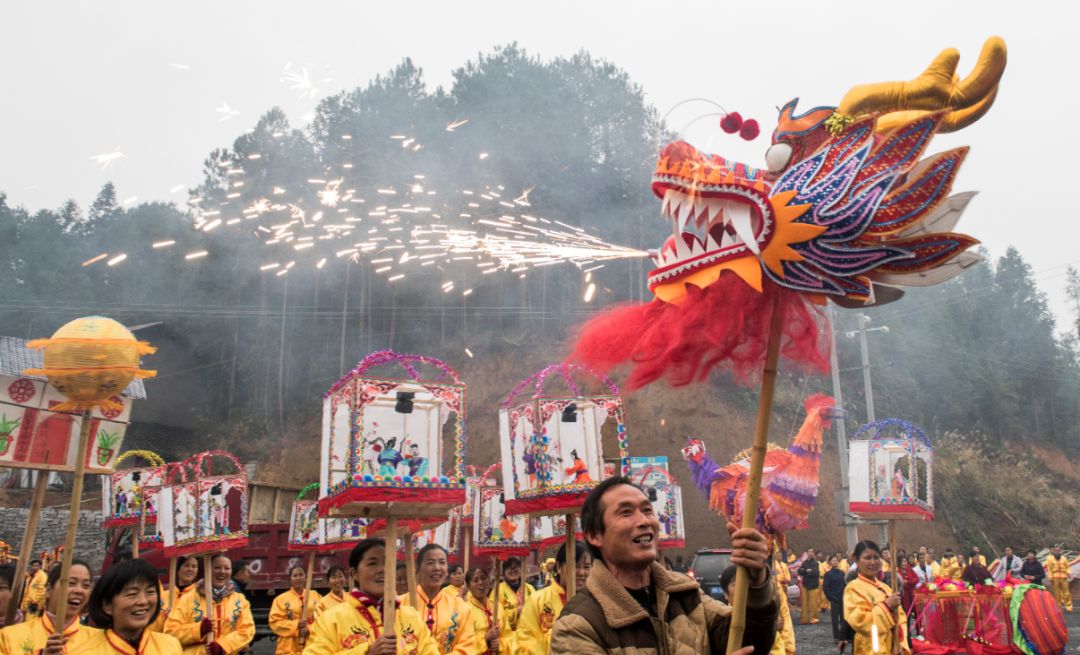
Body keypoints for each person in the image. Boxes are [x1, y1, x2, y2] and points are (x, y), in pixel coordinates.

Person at [550, 476, 778, 655]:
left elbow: (748, 641)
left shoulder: (684, 594)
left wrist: (757, 580)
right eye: (626, 512)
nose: (644, 521)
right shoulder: (578, 625)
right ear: (594, 535)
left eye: (647, 510)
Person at [304, 538, 438, 655]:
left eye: (387, 562)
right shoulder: (331, 619)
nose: (382, 569)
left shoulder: (411, 616)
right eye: (372, 563)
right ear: (354, 573)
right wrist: (367, 652)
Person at [77, 558, 183, 655]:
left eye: (150, 592)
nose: (143, 601)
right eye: (132, 594)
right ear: (107, 605)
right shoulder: (86, 652)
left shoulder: (170, 646)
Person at [0, 560, 98, 655]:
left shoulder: (98, 640)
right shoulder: (9, 636)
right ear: (48, 590)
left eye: (86, 586)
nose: (79, 590)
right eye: (71, 583)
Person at [165, 554, 254, 655]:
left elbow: (247, 630)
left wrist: (223, 646)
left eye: (227, 568)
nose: (222, 571)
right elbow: (170, 632)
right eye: (217, 567)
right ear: (208, 570)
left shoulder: (240, 600)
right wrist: (199, 629)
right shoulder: (187, 599)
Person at [514, 541, 591, 655]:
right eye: (575, 566)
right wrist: (557, 638)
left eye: (586, 567)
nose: (581, 572)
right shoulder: (537, 600)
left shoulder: (597, 602)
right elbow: (522, 646)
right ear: (559, 567)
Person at [402, 544, 475, 655]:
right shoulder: (400, 604)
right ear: (418, 568)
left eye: (442, 562)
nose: (437, 568)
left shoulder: (460, 607)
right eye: (430, 562)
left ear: (446, 570)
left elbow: (467, 647)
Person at [843, 541, 909, 655]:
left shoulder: (886, 588)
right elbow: (860, 622)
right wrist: (886, 606)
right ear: (856, 560)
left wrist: (899, 642)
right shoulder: (853, 588)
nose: (873, 562)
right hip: (870, 648)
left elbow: (901, 617)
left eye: (876, 557)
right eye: (867, 558)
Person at [270, 565, 322, 655]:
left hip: (312, 646)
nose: (298, 578)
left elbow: (323, 619)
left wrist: (309, 629)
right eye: (295, 575)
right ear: (290, 579)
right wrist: (296, 624)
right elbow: (274, 623)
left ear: (306, 578)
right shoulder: (280, 599)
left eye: (301, 575)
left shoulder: (315, 596)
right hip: (288, 648)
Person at [150, 555, 202, 634]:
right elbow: (151, 626)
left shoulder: (198, 597)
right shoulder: (163, 595)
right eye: (186, 565)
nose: (190, 569)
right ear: (177, 569)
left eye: (194, 566)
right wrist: (163, 617)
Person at [489, 557, 532, 641]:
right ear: (503, 572)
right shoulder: (497, 590)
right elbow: (493, 616)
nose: (513, 570)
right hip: (507, 638)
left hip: (527, 636)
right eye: (509, 568)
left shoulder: (529, 589)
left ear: (521, 570)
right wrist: (516, 612)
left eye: (515, 568)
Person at [462, 568, 499, 655]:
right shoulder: (464, 610)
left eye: (483, 578)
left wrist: (501, 644)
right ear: (468, 586)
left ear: (490, 583)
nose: (480, 582)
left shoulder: (498, 607)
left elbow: (509, 635)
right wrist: (485, 638)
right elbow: (461, 643)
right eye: (475, 580)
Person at [822, 555, 849, 652]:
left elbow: (845, 585)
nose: (835, 562)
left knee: (843, 618)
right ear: (830, 562)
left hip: (842, 598)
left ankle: (843, 636)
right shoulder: (828, 574)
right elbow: (825, 588)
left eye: (836, 560)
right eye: (833, 560)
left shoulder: (842, 573)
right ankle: (836, 637)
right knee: (834, 619)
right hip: (834, 599)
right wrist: (831, 598)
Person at [798, 548, 821, 625]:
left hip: (813, 585)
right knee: (804, 602)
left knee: (813, 603)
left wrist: (805, 571)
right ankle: (804, 619)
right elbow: (799, 571)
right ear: (807, 553)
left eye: (811, 552)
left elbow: (815, 573)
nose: (810, 553)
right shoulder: (804, 562)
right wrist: (806, 571)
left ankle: (814, 619)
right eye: (809, 552)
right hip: (805, 585)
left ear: (814, 553)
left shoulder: (816, 563)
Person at [1046, 546, 1072, 612]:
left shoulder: (1064, 558)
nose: (1057, 552)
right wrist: (1050, 577)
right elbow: (1049, 569)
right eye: (1056, 550)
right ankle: (1058, 607)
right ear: (1054, 551)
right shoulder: (1050, 559)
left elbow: (1068, 567)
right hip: (1055, 578)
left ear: (1060, 551)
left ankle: (1069, 607)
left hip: (1064, 577)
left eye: (1058, 551)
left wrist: (1068, 573)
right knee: (1056, 593)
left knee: (1066, 593)